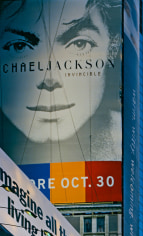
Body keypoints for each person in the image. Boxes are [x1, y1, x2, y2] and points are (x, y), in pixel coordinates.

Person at [0, 0, 123, 166]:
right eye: (19, 46)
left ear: (112, 48)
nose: (50, 80)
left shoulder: (134, 145)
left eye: (80, 44)